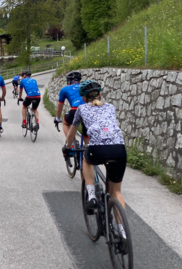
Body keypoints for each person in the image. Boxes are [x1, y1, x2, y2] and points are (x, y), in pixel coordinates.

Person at [63, 79, 127, 214]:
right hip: (119, 149)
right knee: (116, 192)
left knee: (86, 160)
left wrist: (68, 147)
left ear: (83, 98)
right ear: (100, 94)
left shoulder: (81, 108)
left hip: (97, 149)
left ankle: (91, 196)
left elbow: (71, 133)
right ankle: (121, 227)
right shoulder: (110, 107)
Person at [54, 71, 84, 139]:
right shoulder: (84, 87)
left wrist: (58, 118)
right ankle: (87, 144)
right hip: (89, 109)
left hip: (75, 109)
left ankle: (71, 142)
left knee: (66, 123)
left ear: (69, 81)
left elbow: (59, 108)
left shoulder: (64, 89)